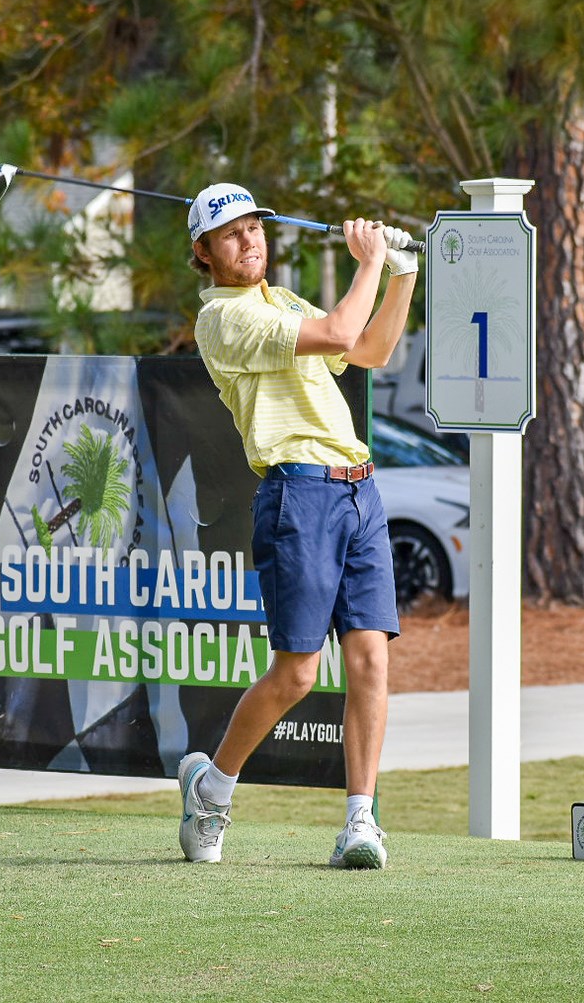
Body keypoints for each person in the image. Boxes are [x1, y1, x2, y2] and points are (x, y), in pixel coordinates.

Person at [178, 182, 418, 869]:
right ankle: (213, 791)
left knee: (371, 657)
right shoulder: (222, 319)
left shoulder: (282, 300)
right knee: (298, 674)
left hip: (359, 490)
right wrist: (368, 260)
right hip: (299, 493)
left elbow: (370, 350)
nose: (248, 241)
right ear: (204, 252)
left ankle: (361, 822)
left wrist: (402, 272)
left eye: (254, 228)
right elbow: (340, 332)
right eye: (231, 234)